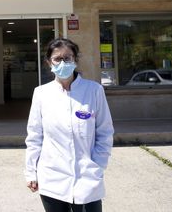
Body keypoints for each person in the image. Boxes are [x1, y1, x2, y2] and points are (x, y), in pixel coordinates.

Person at [25, 38, 114, 212]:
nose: (63, 62)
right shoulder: (41, 93)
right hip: (52, 177)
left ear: (75, 60)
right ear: (48, 62)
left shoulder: (94, 90)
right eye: (58, 58)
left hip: (87, 177)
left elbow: (105, 132)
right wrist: (31, 172)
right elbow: (34, 136)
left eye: (68, 58)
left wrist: (97, 165)